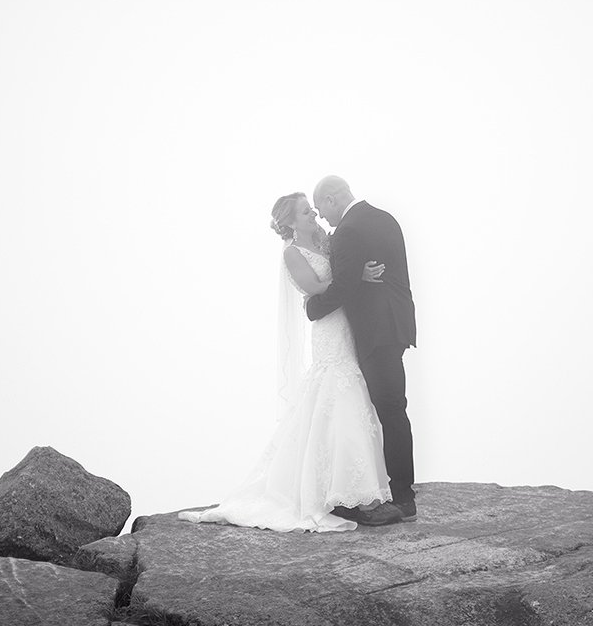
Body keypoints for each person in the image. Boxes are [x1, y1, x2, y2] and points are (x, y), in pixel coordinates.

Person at [178, 192, 392, 532]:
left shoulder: (325, 239)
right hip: (329, 331)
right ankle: (352, 496)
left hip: (348, 325)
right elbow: (317, 287)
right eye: (306, 211)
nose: (313, 214)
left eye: (312, 209)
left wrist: (358, 273)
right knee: (339, 397)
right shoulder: (292, 254)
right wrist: (354, 277)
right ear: (290, 221)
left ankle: (348, 490)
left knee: (350, 399)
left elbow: (343, 271)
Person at [306, 176, 418, 527]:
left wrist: (312, 307)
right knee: (390, 409)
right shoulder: (385, 218)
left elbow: (341, 287)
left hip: (375, 332)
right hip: (395, 325)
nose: (321, 218)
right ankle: (396, 489)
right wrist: (357, 276)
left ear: (332, 198)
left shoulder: (348, 231)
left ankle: (403, 496)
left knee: (389, 409)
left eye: (321, 208)